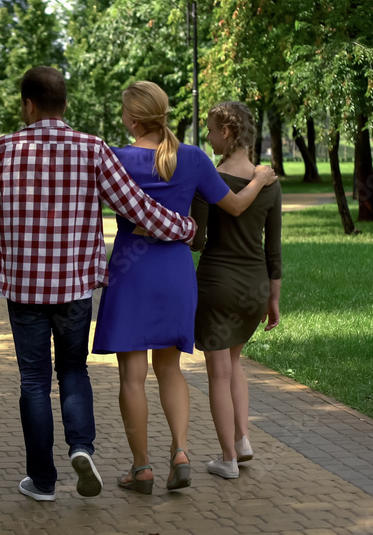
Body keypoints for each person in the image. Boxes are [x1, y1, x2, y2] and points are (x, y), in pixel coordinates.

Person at [0, 67, 198, 502]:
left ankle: (42, 481)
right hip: (75, 289)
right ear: (65, 104)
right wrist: (184, 228)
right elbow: (138, 208)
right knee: (73, 370)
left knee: (33, 381)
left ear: (28, 105)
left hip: (23, 289)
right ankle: (81, 447)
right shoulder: (92, 149)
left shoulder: (5, 149)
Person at [91, 82, 276, 494]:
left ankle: (142, 468)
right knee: (170, 369)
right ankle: (181, 452)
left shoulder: (116, 159)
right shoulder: (191, 157)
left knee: (132, 377)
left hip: (131, 271)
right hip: (175, 271)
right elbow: (236, 205)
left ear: (133, 119)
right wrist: (261, 178)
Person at [192, 101, 282, 480]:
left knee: (218, 372)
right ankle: (242, 440)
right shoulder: (270, 183)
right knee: (235, 363)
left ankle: (227, 457)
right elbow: (273, 248)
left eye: (211, 131)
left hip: (217, 284)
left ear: (226, 133)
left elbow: (196, 240)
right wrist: (273, 298)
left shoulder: (210, 179)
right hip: (254, 285)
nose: (208, 137)